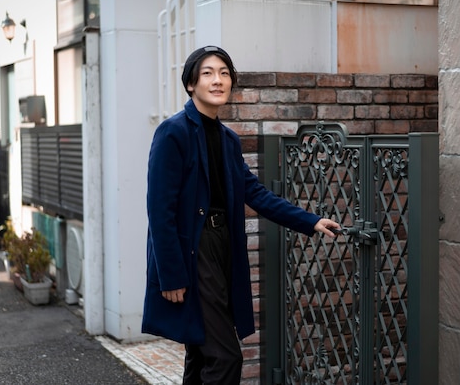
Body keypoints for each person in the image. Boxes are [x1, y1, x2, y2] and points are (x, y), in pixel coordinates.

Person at [141, 45, 340, 384]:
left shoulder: (228, 140)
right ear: (191, 84)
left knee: (201, 353)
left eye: (224, 73)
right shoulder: (173, 132)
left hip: (223, 247)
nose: (217, 80)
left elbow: (255, 193)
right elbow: (160, 210)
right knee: (226, 357)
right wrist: (170, 274)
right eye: (207, 73)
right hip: (193, 250)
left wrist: (309, 220)